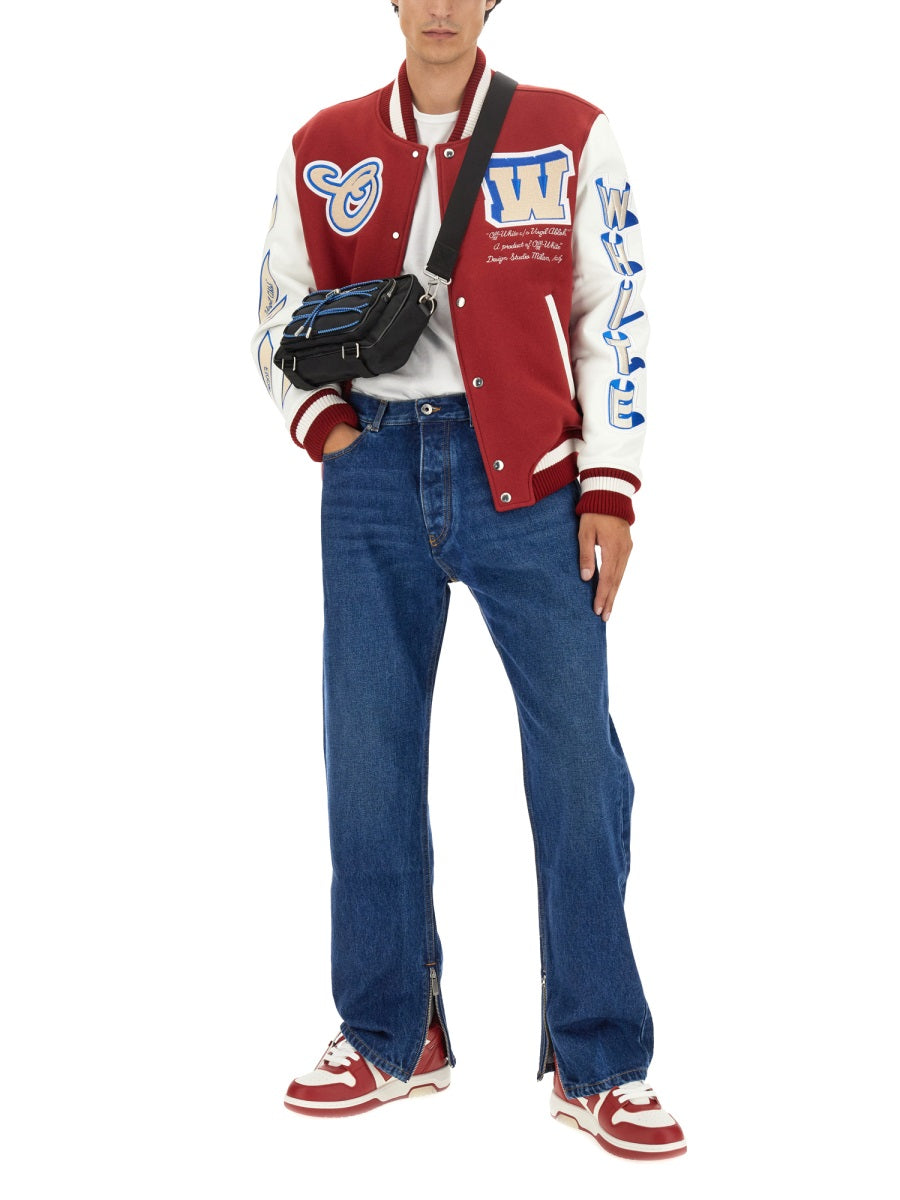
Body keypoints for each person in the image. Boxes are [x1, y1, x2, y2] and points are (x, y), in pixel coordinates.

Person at [252, 0, 686, 1160]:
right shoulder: (322, 146)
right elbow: (277, 313)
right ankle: (392, 1033)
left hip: (535, 481)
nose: (440, 6)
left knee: (579, 762)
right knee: (368, 755)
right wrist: (326, 428)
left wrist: (611, 487)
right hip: (372, 474)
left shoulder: (570, 131)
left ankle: (601, 1060)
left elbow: (616, 313)